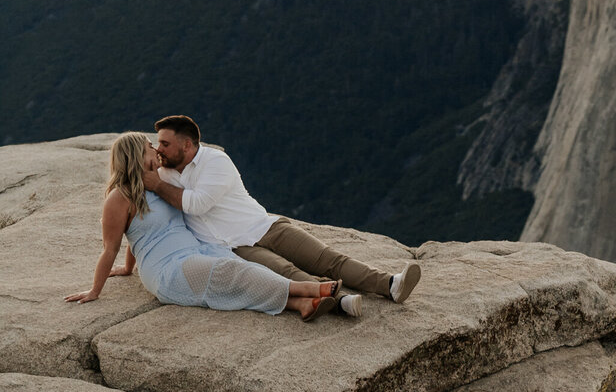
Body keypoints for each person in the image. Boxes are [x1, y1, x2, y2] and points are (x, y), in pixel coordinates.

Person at [146, 116, 421, 310]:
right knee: (287, 272)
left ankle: (391, 285)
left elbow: (197, 204)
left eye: (165, 144)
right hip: (234, 246)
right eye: (158, 143)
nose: (159, 149)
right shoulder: (164, 173)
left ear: (187, 145)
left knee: (328, 259)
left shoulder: (215, 161)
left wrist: (157, 184)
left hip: (264, 226)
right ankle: (342, 302)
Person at [67, 132, 347, 319]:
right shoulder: (119, 197)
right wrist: (95, 290)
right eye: (148, 147)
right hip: (168, 268)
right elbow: (111, 246)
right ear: (134, 157)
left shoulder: (160, 184)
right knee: (233, 271)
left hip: (197, 251)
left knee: (243, 273)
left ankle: (300, 305)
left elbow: (138, 236)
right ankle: (310, 289)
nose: (155, 149)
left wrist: (129, 268)